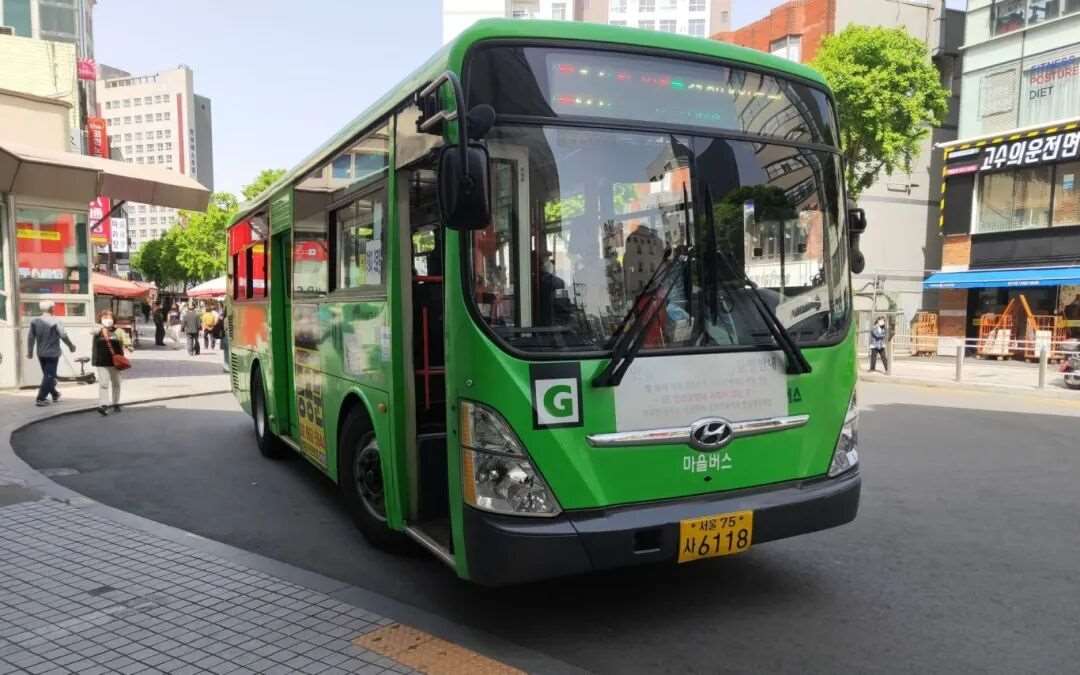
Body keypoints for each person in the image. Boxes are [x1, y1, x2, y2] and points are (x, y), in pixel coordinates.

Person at [26, 301, 76, 407]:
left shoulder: (35, 321)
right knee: (49, 376)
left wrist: (30, 352)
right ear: (51, 309)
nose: (54, 309)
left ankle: (55, 394)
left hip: (41, 353)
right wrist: (71, 346)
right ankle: (41, 398)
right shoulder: (56, 321)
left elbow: (31, 337)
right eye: (53, 307)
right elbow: (63, 335)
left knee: (48, 376)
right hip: (52, 354)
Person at [92, 310, 131, 416]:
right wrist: (101, 327)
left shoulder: (118, 331)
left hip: (116, 362)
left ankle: (115, 403)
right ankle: (103, 405)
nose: (108, 320)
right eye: (105, 318)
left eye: (110, 318)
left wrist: (128, 345)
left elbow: (125, 339)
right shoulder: (98, 330)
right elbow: (92, 331)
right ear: (100, 319)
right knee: (103, 384)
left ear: (113, 319)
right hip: (101, 362)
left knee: (116, 383)